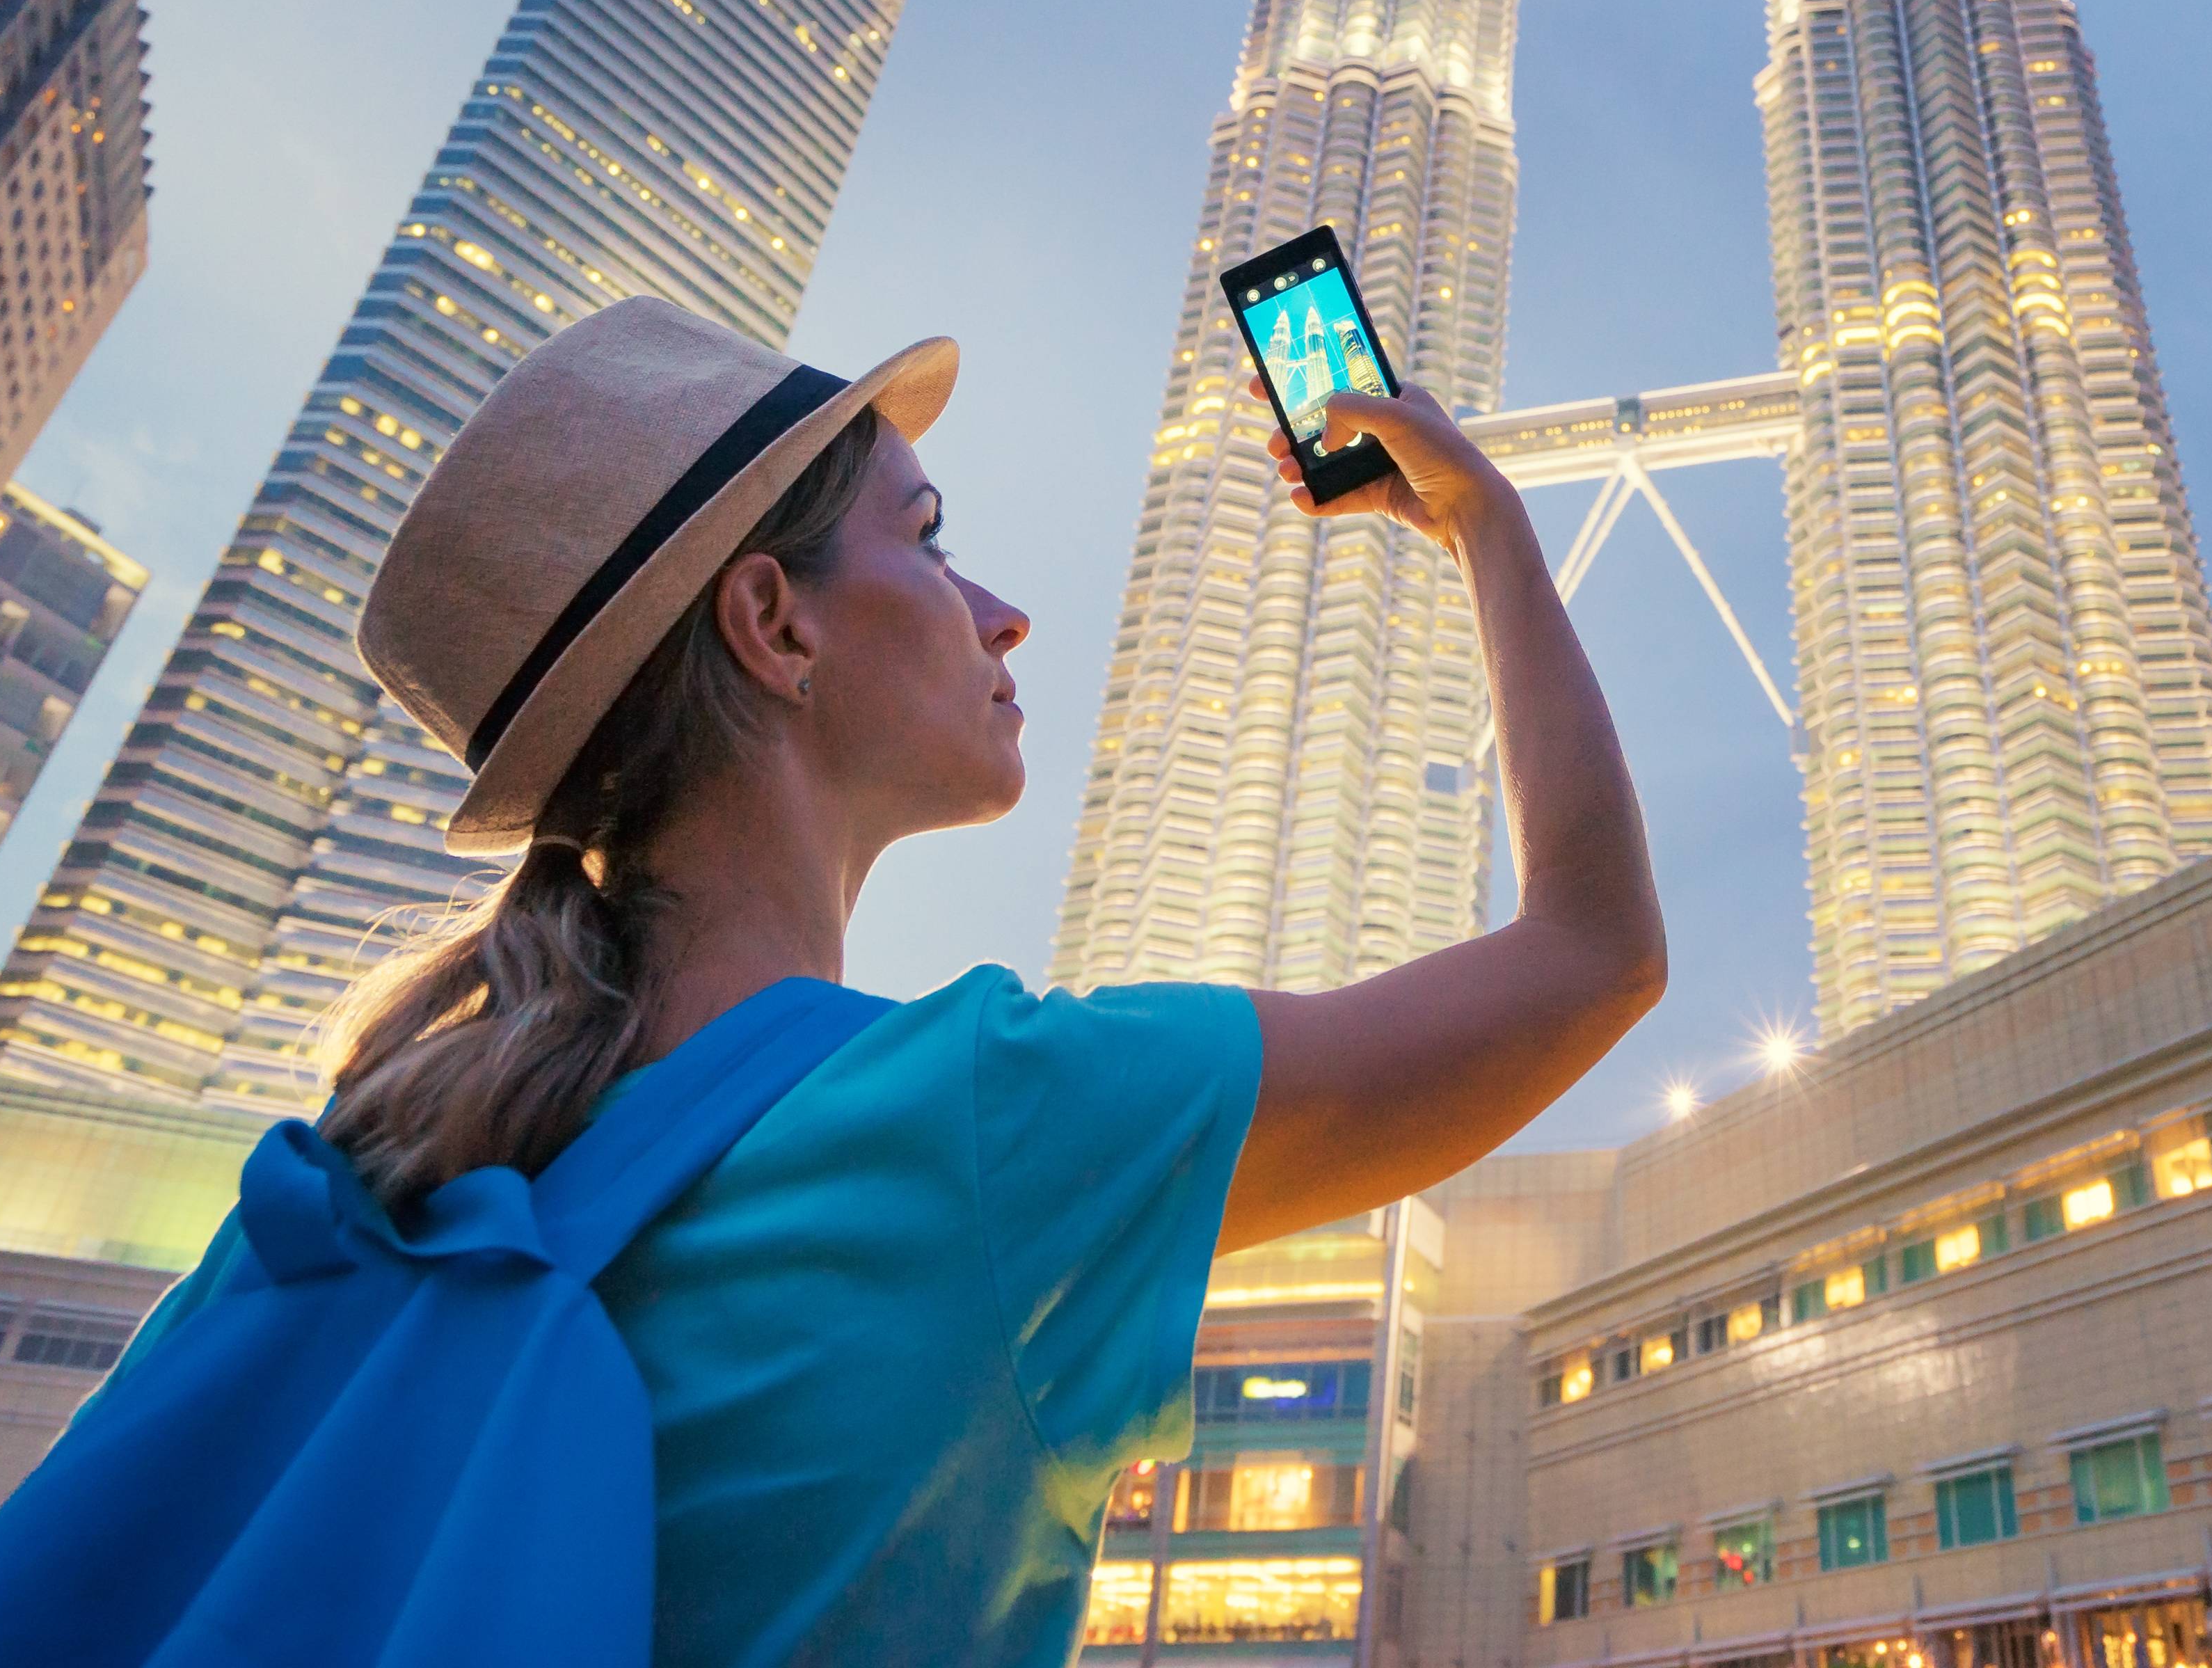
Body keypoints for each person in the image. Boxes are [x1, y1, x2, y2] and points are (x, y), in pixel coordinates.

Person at [117, 296, 1664, 1665]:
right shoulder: (984, 1117)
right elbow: (1595, 952)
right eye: (925, 538)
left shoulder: (367, 1178)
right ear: (773, 623)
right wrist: (1484, 522)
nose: (1003, 610)